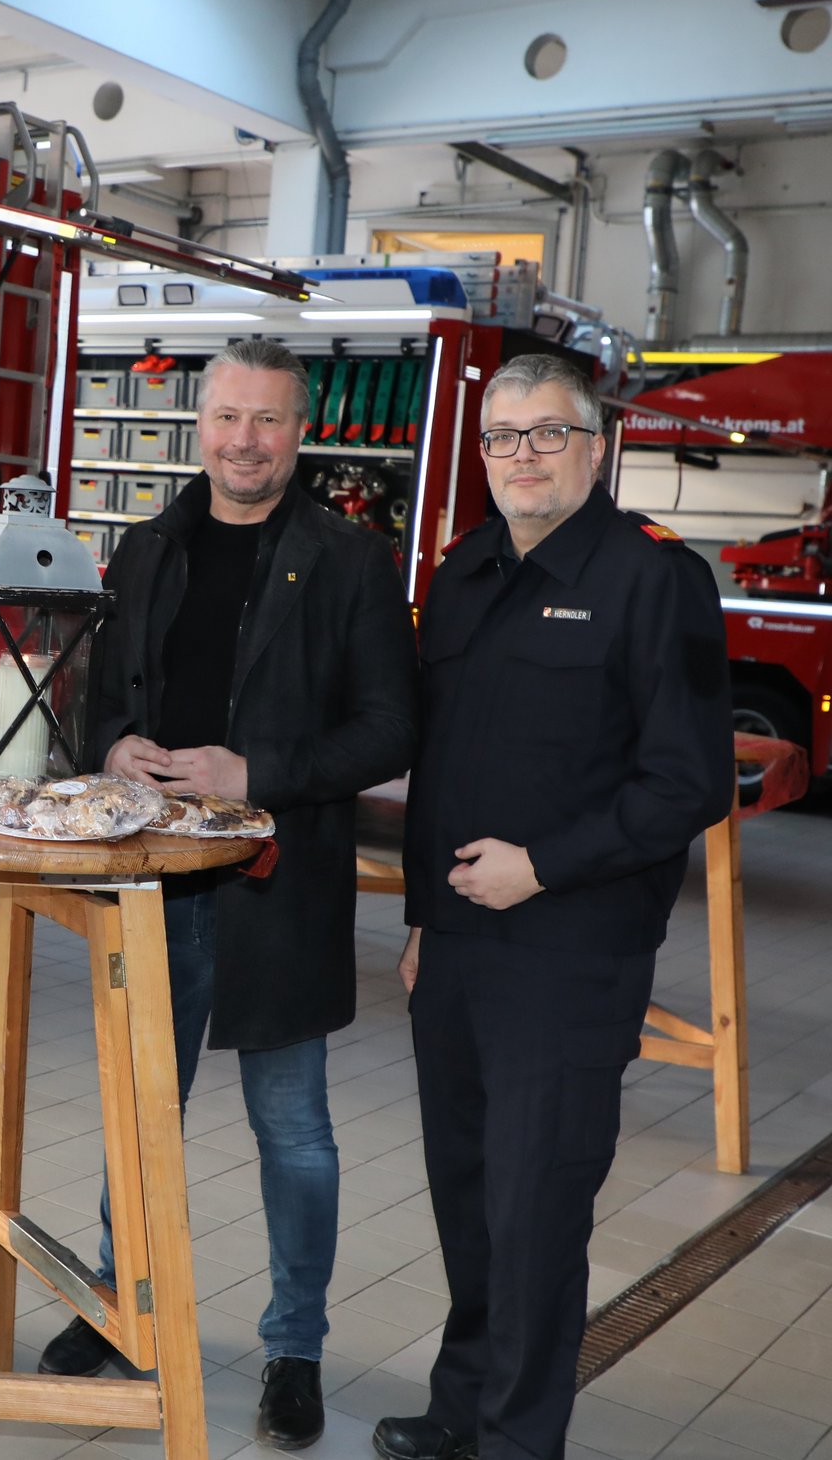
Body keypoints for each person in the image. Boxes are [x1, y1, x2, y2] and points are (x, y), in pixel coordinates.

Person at [38, 338, 419, 1451]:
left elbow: (390, 727)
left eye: (267, 421)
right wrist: (110, 745)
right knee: (136, 1114)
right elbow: (98, 692)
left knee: (291, 1128)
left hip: (274, 884)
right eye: (225, 418)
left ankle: (291, 1346)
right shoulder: (148, 546)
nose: (243, 441)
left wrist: (254, 776)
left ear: (299, 433)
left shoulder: (346, 560)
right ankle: (120, 1307)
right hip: (151, 876)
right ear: (196, 423)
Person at [376, 354, 733, 1460]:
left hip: (569, 947)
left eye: (545, 433)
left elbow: (685, 782)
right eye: (501, 437)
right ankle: (459, 1408)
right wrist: (421, 923)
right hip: (459, 939)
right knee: (467, 1192)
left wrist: (540, 865)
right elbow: (439, 767)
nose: (521, 455)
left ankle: (515, 1441)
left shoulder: (650, 580)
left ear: (593, 445)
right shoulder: (463, 570)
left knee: (535, 1209)